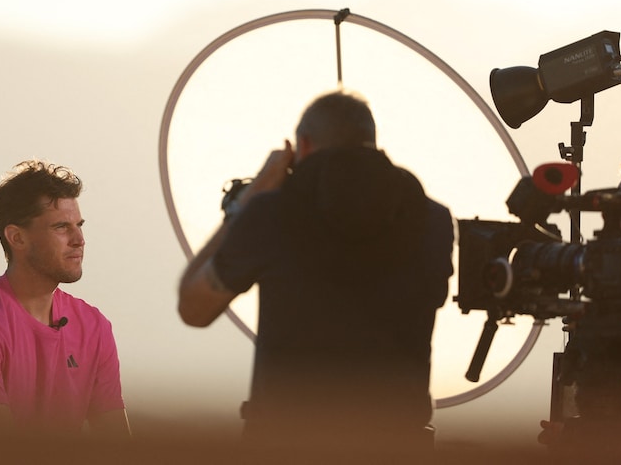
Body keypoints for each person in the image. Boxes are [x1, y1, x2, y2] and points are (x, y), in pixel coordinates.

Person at [178, 89, 454, 458]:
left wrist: (249, 200)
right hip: (397, 444)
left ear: (303, 145)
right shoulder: (432, 220)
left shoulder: (271, 213)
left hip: (286, 444)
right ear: (371, 145)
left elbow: (194, 307)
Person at [0, 160, 130, 441]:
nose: (79, 239)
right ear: (17, 238)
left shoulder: (94, 326)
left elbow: (118, 446)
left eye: (79, 225)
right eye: (61, 227)